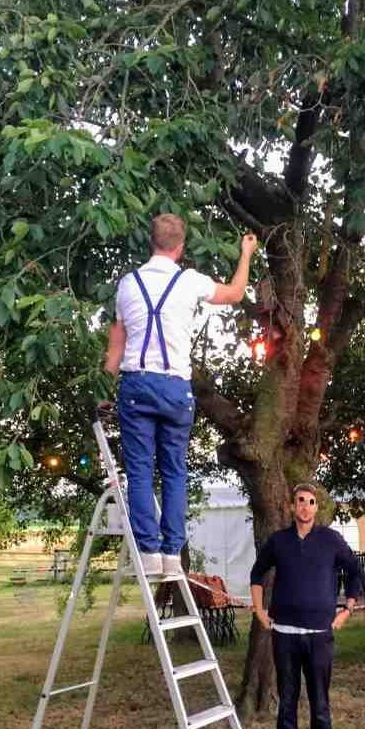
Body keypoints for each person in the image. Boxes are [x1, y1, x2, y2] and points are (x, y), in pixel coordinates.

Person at [104, 213, 257, 576]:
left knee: (140, 471)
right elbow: (235, 294)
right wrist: (246, 252)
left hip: (137, 384)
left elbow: (116, 344)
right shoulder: (190, 281)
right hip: (175, 387)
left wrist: (105, 386)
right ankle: (172, 553)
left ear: (152, 242)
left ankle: (148, 551)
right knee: (174, 471)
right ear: (181, 246)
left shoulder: (128, 284)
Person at [250, 483, 363, 729]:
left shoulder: (331, 540)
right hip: (285, 636)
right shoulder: (278, 541)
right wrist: (259, 611)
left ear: (316, 507)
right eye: (300, 501)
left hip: (319, 637)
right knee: (287, 703)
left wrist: (347, 609)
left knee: (320, 705)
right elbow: (257, 574)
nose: (305, 506)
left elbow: (355, 572)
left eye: (311, 502)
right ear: (291, 506)